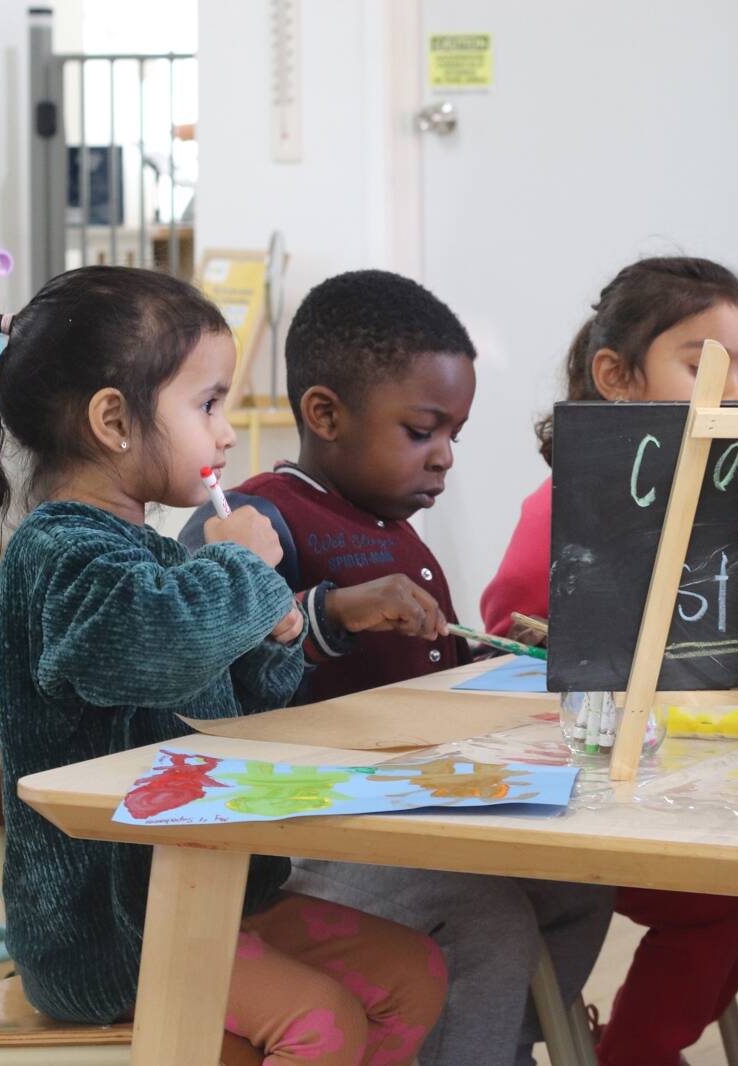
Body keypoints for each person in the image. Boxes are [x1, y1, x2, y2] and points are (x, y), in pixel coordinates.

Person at [0, 266, 445, 1064]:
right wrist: (244, 576)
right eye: (209, 404)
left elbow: (225, 702)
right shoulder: (57, 552)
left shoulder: (144, 550)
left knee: (413, 975)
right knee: (319, 1024)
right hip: (106, 932)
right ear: (113, 420)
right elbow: (151, 650)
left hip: (202, 887)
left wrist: (278, 635)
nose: (225, 434)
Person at [179, 270, 613, 1066]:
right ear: (325, 414)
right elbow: (211, 664)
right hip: (309, 840)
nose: (445, 457)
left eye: (456, 434)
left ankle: (491, 1044)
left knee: (580, 885)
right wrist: (332, 613)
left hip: (410, 815)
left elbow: (413, 679)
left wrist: (487, 658)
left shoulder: (398, 536)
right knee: (489, 918)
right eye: (422, 431)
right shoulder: (252, 522)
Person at [482, 257, 738, 1066]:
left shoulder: (731, 506)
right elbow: (506, 621)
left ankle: (635, 1044)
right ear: (615, 376)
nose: (737, 395)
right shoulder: (568, 501)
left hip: (677, 771)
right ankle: (635, 1059)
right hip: (578, 786)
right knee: (719, 907)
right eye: (705, 366)